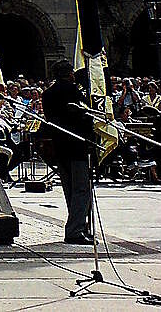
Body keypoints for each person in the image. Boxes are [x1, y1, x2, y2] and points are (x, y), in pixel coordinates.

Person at [42, 60, 95, 245]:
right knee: (81, 190)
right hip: (77, 146)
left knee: (70, 190)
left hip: (60, 147)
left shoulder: (47, 94)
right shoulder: (73, 91)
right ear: (69, 74)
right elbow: (85, 116)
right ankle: (75, 230)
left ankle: (78, 226)